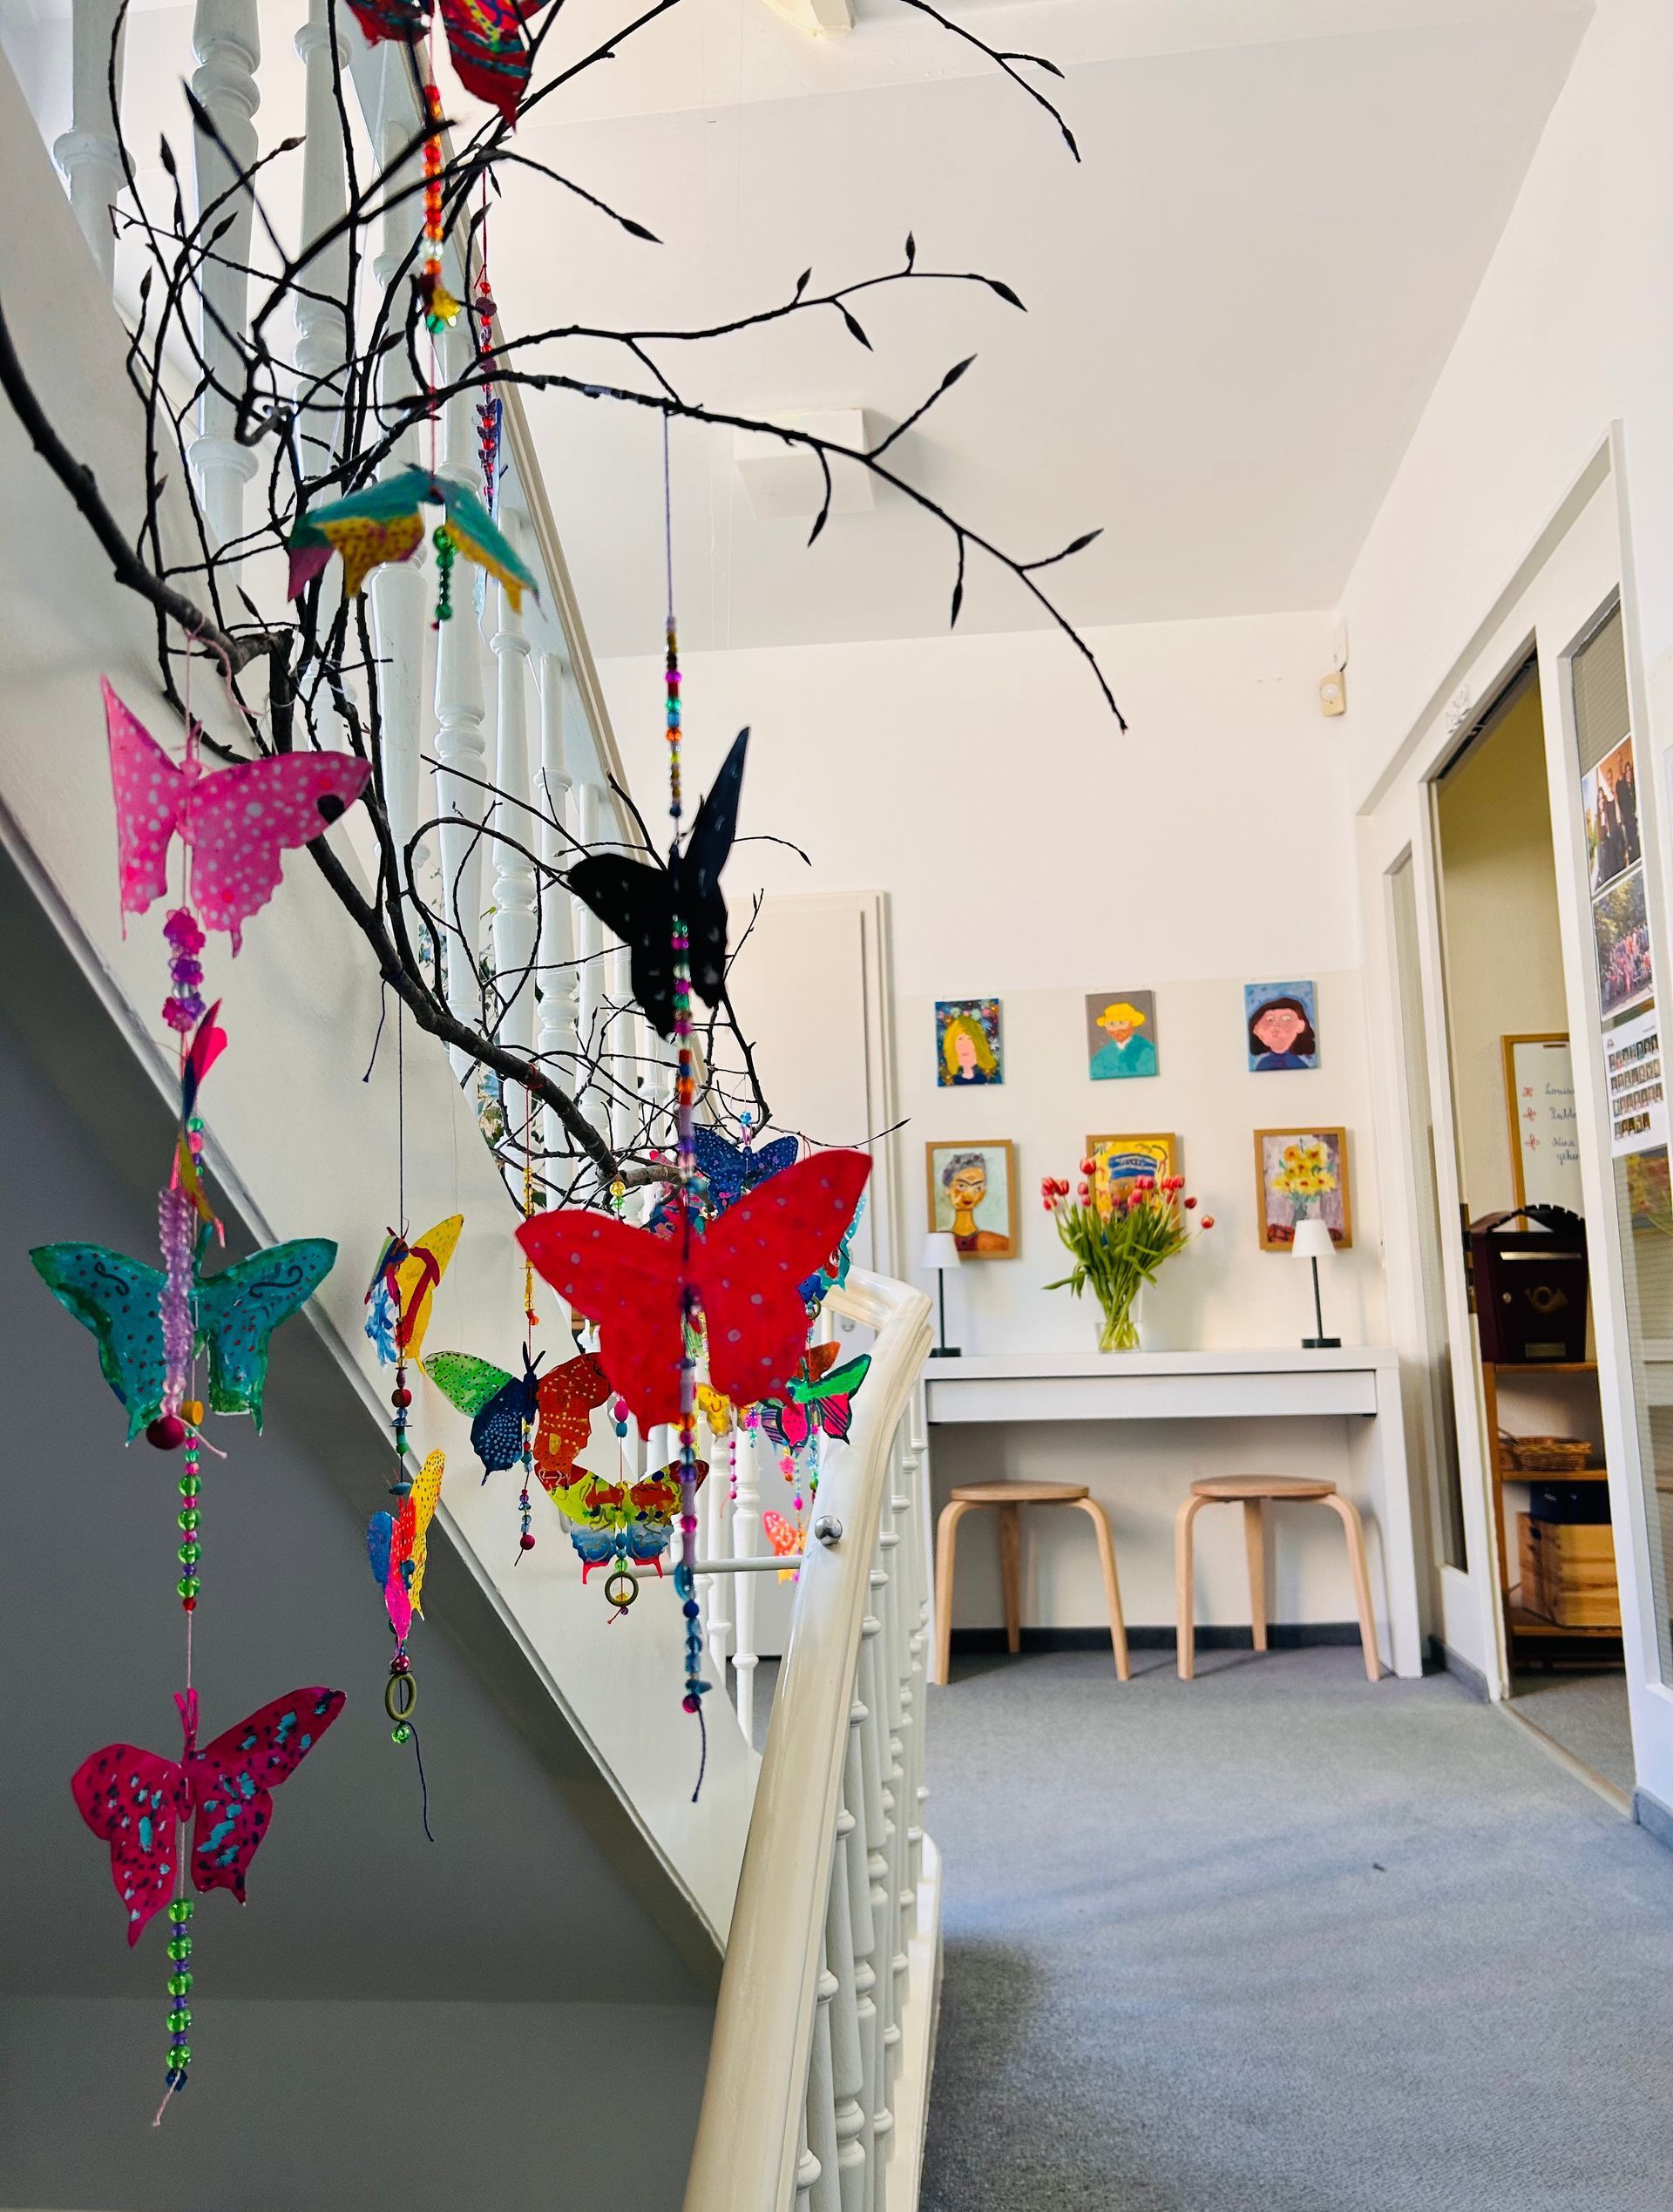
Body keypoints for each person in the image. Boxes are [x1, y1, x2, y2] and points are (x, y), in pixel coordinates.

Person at [940, 1151, 1010, 1254]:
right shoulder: (940, 1242)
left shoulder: (994, 1242)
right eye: (962, 1186)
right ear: (947, 1189)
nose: (970, 1194)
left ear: (983, 1192)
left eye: (977, 1187)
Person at [1088, 999, 1157, 1079]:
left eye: (1121, 1023)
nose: (1117, 1030)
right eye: (1111, 1024)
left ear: (1132, 1025)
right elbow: (1095, 1073)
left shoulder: (1147, 1049)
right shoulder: (1104, 1053)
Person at [1248, 993, 1317, 1071]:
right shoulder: (1262, 1065)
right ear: (1256, 1029)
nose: (1276, 1024)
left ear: (1301, 1026)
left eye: (1286, 1019)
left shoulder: (1299, 1065)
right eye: (1270, 1019)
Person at [941, 1012, 998, 1086]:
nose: (965, 1045)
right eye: (960, 1039)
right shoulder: (952, 1079)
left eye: (970, 1039)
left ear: (978, 1043)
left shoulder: (987, 1078)